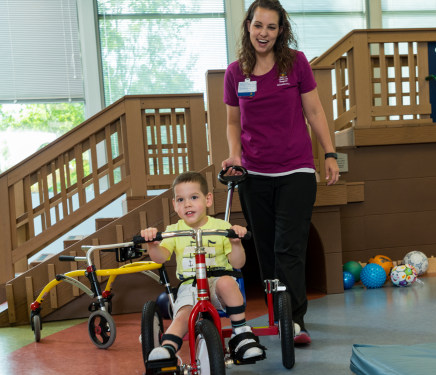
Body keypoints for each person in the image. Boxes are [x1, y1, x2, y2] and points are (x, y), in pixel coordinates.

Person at [221, 0, 340, 346]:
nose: (264, 33)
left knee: (290, 246)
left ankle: (294, 319)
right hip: (254, 174)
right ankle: (277, 315)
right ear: (248, 26)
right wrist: (234, 156)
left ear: (280, 31)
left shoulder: (296, 63)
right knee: (268, 250)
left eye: (271, 27)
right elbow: (232, 121)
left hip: (296, 169)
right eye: (259, 25)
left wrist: (329, 153)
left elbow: (315, 111)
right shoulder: (235, 73)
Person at [140, 171, 265, 363]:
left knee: (226, 282)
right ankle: (168, 348)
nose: (187, 204)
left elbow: (238, 264)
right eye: (180, 199)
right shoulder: (174, 231)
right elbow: (160, 258)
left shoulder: (221, 227)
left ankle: (240, 334)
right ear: (174, 205)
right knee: (183, 315)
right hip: (190, 287)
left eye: (194, 197)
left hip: (217, 287)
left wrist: (236, 242)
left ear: (208, 200)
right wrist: (152, 244)